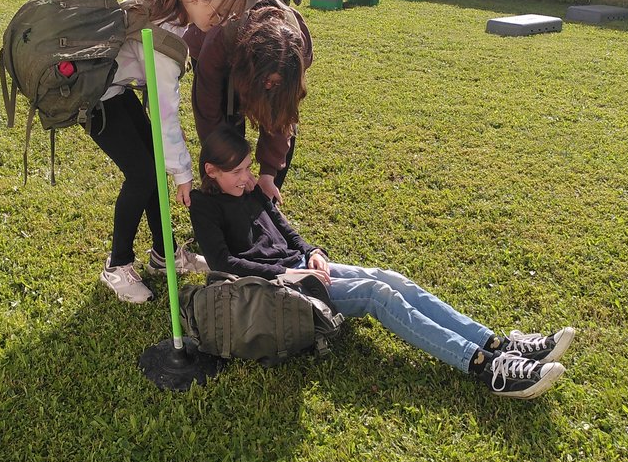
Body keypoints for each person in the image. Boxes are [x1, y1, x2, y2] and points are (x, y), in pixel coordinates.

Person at [190, 126, 575, 399]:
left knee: (393, 279)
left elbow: (284, 228)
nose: (247, 178)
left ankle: (500, 343)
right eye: (237, 172)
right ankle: (486, 367)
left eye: (247, 168)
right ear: (212, 171)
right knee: (378, 294)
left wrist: (312, 252)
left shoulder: (253, 190)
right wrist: (288, 273)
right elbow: (224, 262)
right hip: (283, 288)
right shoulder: (205, 206)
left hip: (305, 268)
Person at [91, 0, 248, 304]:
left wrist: (173, 168)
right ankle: (116, 266)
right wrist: (184, 174)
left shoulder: (169, 1)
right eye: (218, 12)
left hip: (114, 91)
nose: (221, 20)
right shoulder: (167, 36)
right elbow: (166, 116)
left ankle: (165, 256)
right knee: (143, 175)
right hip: (95, 99)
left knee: (149, 168)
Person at [187, 0, 312, 204]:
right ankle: (221, 207)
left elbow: (281, 118)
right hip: (223, 58)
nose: (269, 88)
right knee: (229, 129)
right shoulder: (220, 40)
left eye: (276, 83)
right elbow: (208, 115)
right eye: (266, 81)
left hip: (249, 67)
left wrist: (268, 174)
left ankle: (263, 202)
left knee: (284, 126)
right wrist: (227, 164)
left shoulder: (298, 54)